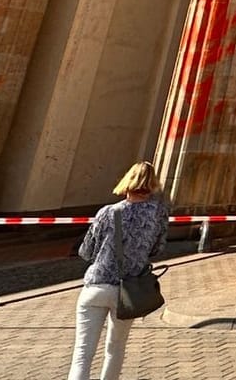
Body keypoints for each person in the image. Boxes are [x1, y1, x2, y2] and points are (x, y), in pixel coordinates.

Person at [70, 160, 168, 380]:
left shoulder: (108, 212)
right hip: (128, 291)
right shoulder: (158, 214)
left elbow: (86, 251)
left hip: (97, 285)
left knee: (82, 352)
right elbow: (157, 248)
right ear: (152, 184)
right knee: (115, 349)